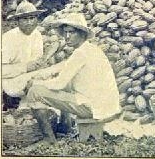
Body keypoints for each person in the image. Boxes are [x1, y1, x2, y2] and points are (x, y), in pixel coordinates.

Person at [25, 13, 121, 144]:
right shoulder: (90, 49)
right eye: (65, 33)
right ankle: (66, 126)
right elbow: (65, 65)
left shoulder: (80, 53)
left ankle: (49, 140)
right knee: (68, 83)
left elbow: (59, 84)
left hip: (94, 108)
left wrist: (35, 82)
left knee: (35, 92)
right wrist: (44, 73)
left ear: (82, 34)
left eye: (71, 32)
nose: (67, 36)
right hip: (107, 105)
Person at [2, 0, 46, 105]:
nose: (30, 22)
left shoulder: (37, 35)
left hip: (29, 77)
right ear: (17, 21)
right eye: (25, 19)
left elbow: (36, 62)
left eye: (32, 18)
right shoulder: (9, 38)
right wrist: (24, 67)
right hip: (10, 80)